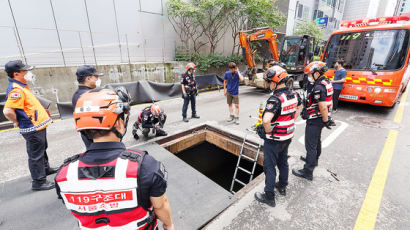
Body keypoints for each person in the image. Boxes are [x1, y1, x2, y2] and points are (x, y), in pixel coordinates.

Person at [55, 88, 174, 230]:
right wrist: (169, 225)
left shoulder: (63, 175)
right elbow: (161, 205)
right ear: (119, 123)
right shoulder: (145, 166)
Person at [2, 60, 57, 191]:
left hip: (38, 125)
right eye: (25, 71)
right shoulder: (16, 89)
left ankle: (45, 169)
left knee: (42, 148)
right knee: (35, 154)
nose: (28, 73)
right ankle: (39, 182)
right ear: (16, 74)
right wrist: (16, 121)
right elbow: (8, 111)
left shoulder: (22, 86)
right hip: (31, 127)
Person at [254, 66, 302, 207]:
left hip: (274, 140)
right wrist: (290, 120)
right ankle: (282, 186)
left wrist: (267, 133)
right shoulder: (294, 94)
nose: (268, 84)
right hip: (287, 136)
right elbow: (299, 107)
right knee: (283, 162)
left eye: (269, 82)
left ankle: (269, 197)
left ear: (275, 82)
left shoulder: (275, 99)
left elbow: (266, 120)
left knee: (269, 167)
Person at [293, 61, 334, 181]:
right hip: (319, 118)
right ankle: (314, 160)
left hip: (316, 119)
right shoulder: (326, 81)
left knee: (310, 145)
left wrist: (326, 120)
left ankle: (308, 171)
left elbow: (322, 106)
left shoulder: (319, 87)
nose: (309, 76)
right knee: (316, 141)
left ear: (317, 73)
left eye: (310, 74)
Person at [72, 65, 104, 149]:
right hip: (97, 137)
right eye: (96, 77)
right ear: (88, 79)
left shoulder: (76, 94)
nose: (98, 79)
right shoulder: (90, 95)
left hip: (87, 135)